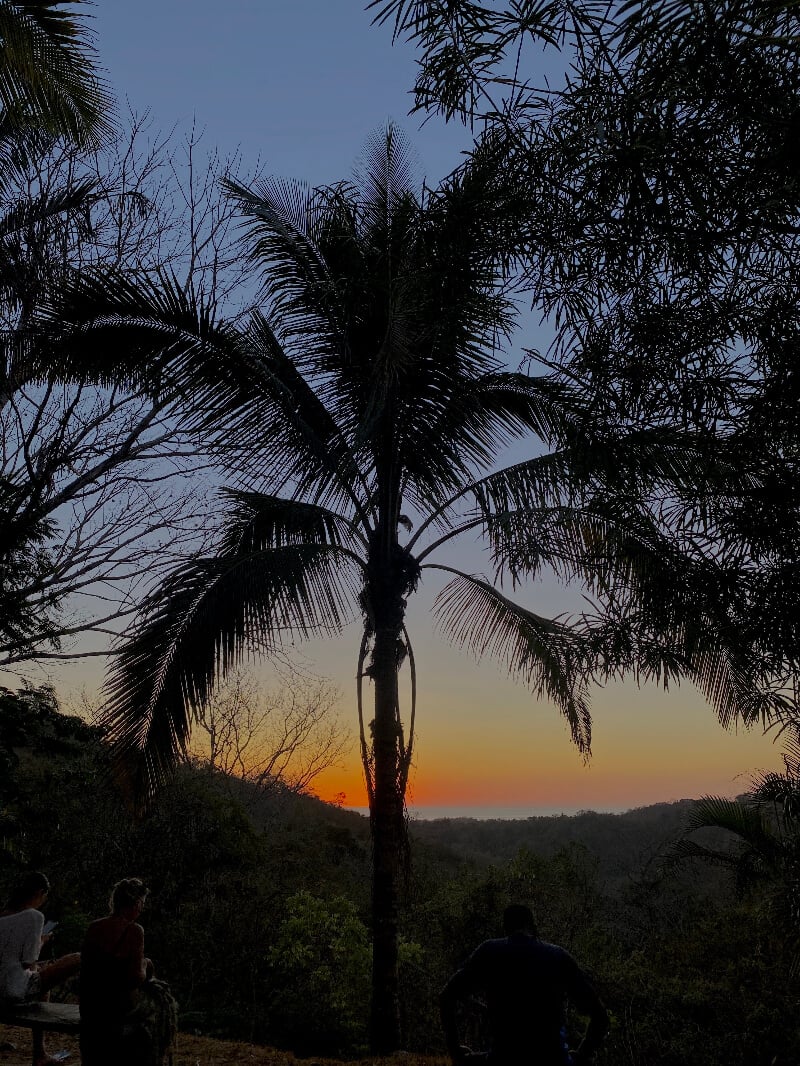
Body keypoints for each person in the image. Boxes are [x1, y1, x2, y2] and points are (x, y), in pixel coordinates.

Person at [440, 903, 609, 1066]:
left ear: (505, 928)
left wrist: (455, 1052)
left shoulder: (489, 952)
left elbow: (446, 997)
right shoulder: (558, 957)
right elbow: (600, 1016)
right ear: (532, 926)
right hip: (553, 1059)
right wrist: (581, 1056)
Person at [79, 878, 176, 1066]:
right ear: (136, 903)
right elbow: (134, 978)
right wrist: (146, 965)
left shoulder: (95, 927)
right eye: (142, 904)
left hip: (91, 1007)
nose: (142, 909)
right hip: (115, 1010)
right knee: (161, 1007)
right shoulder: (134, 930)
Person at [0, 870, 81, 1066]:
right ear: (40, 892)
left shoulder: (2, 916)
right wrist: (42, 941)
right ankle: (40, 1053)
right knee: (77, 958)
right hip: (13, 991)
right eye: (44, 896)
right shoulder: (34, 916)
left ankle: (40, 1052)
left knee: (41, 977)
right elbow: (29, 961)